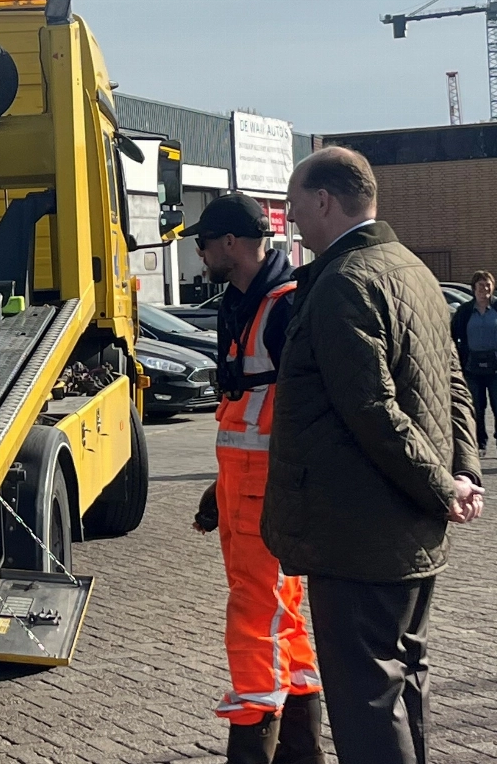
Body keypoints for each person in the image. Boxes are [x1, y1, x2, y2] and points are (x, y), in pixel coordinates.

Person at [262, 146, 485, 764]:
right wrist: (461, 472)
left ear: (325, 200)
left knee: (366, 698)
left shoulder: (343, 283)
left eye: (295, 203)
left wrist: (446, 484)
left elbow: (372, 412)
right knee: (403, 676)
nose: (292, 218)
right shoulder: (410, 268)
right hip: (409, 526)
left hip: (358, 532)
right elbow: (453, 382)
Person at [183, 194, 324, 764]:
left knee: (252, 618)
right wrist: (216, 492)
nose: (199, 251)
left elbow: (299, 414)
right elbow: (242, 406)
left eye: (205, 241)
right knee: (281, 618)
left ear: (231, 245)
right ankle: (301, 751)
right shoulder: (238, 303)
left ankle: (252, 747)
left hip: (269, 498)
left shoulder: (285, 307)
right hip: (242, 492)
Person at [452, 270, 497, 452]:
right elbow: (453, 336)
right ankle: (480, 442)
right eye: (480, 285)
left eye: (487, 285)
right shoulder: (464, 311)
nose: (484, 289)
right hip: (472, 366)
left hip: (495, 367)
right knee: (476, 407)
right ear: (473, 288)